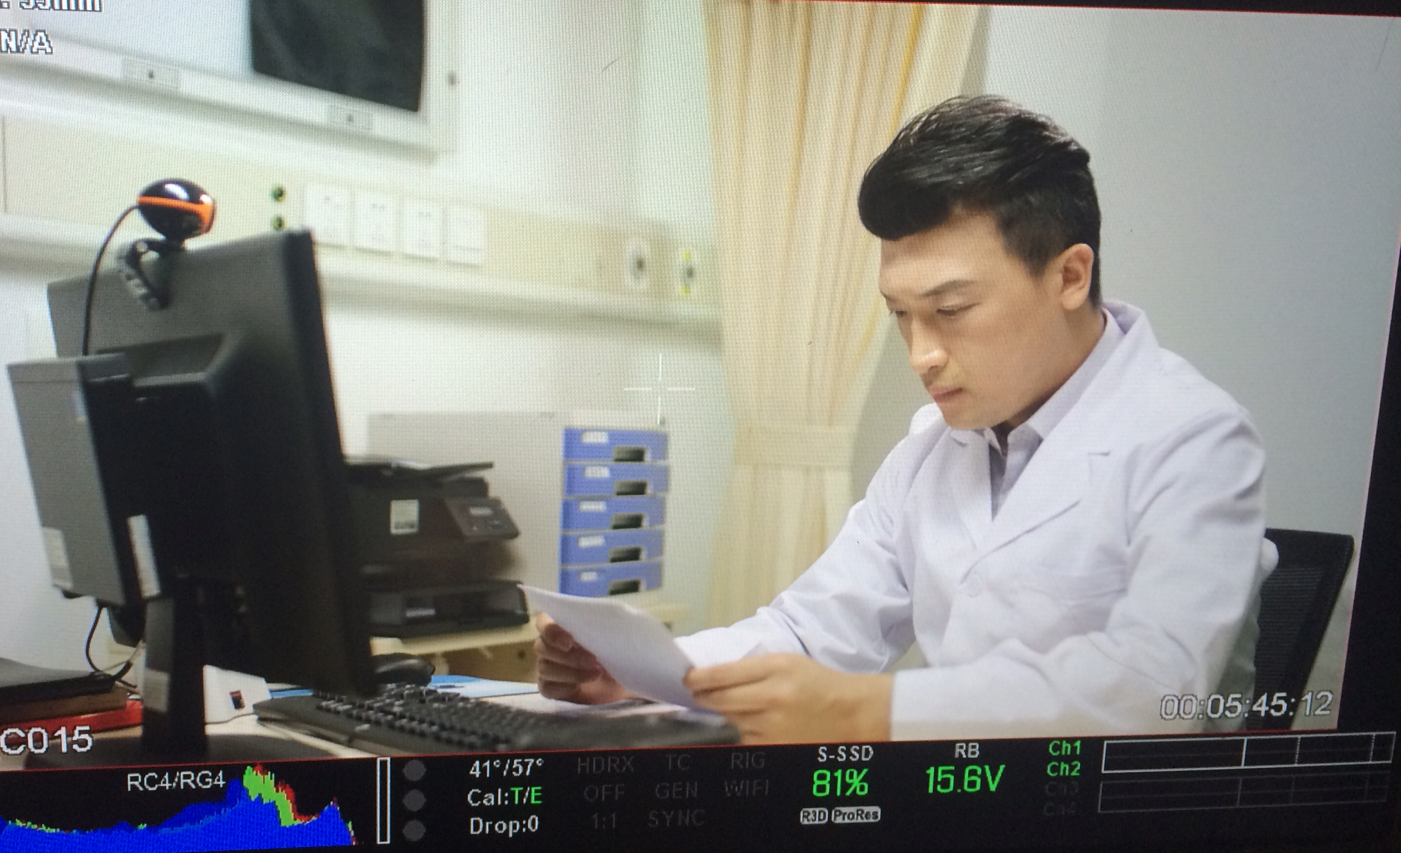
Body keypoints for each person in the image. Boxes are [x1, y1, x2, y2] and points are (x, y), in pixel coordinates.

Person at [536, 95, 1275, 742]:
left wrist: (869, 710)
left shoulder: (1193, 438)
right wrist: (649, 673)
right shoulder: (934, 449)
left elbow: (1154, 689)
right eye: (900, 315)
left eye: (951, 310)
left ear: (1069, 275)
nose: (921, 355)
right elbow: (811, 631)